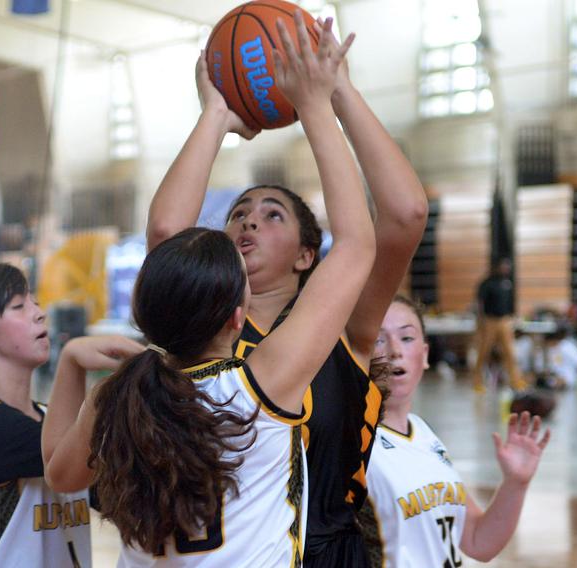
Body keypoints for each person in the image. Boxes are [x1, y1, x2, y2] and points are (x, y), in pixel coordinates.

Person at [43, 14, 375, 566]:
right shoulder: (262, 387)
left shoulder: (116, 396)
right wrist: (317, 105)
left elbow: (60, 474)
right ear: (237, 317)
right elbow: (359, 243)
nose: (245, 226)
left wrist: (215, 116)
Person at [145, 15, 427, 566]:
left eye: (272, 215)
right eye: (238, 214)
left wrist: (335, 87)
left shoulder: (343, 324)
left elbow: (405, 212)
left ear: (306, 256)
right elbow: (165, 238)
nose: (247, 223)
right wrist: (216, 116)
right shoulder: (204, 331)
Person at [0, 263, 142, 568]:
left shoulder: (49, 420)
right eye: (19, 306)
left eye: (35, 303)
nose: (39, 313)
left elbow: (117, 491)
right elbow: (69, 452)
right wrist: (71, 362)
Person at [360, 296, 550, 567]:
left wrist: (515, 483)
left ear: (425, 355)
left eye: (406, 338)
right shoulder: (352, 441)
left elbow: (477, 541)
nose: (394, 351)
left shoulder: (425, 436)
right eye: (379, 339)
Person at [473, 258, 528, 392]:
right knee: (484, 352)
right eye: (503, 266)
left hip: (505, 321)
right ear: (496, 267)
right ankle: (477, 381)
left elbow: (511, 302)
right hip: (490, 321)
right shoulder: (486, 283)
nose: (506, 269)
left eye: (507, 267)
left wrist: (514, 317)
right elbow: (479, 304)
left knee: (510, 352)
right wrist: (480, 322)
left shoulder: (508, 283)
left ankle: (515, 380)